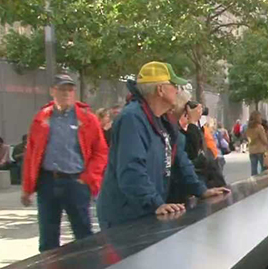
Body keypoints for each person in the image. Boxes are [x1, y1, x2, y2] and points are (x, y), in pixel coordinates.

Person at [97, 62, 229, 229]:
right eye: (174, 85)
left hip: (146, 211)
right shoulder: (132, 119)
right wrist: (155, 202)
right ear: (160, 90)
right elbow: (131, 170)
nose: (178, 90)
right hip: (125, 217)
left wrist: (201, 190)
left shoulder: (162, 120)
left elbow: (181, 160)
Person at [21, 73, 109, 252]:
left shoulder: (87, 118)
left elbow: (101, 151)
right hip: (48, 182)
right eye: (62, 90)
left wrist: (88, 178)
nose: (67, 94)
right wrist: (27, 188)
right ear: (52, 91)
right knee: (48, 236)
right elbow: (31, 153)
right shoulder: (41, 119)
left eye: (70, 90)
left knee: (83, 234)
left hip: (76, 181)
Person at [246, 111, 268, 176]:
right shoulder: (259, 127)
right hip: (260, 150)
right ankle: (262, 181)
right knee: (264, 168)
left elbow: (248, 138)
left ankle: (254, 182)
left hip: (252, 150)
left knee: (253, 169)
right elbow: (264, 140)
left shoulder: (248, 128)